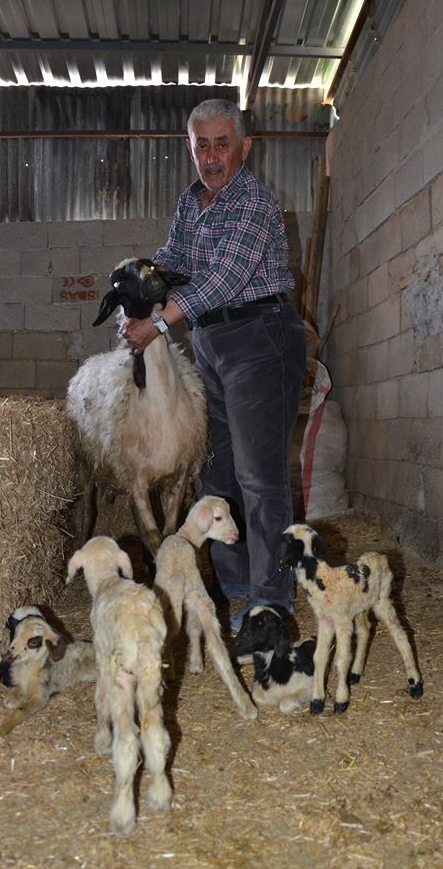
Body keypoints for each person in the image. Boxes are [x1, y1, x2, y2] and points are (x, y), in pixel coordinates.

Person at [123, 98, 306, 632]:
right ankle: (234, 588)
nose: (211, 156)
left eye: (221, 144)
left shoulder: (254, 203)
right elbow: (172, 264)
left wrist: (158, 325)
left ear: (244, 148)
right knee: (217, 471)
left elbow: (225, 278)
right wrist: (137, 296)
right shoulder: (190, 203)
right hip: (211, 341)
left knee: (258, 473)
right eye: (200, 145)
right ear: (190, 148)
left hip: (259, 336)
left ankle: (273, 604)